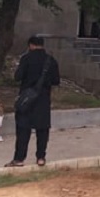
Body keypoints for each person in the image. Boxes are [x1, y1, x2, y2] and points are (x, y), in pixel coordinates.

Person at [5, 36, 60, 167]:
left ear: (31, 45)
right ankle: (41, 157)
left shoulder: (26, 58)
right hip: (43, 99)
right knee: (42, 129)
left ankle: (19, 159)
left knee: (23, 129)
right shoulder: (50, 60)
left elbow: (17, 77)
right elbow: (56, 81)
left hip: (27, 99)